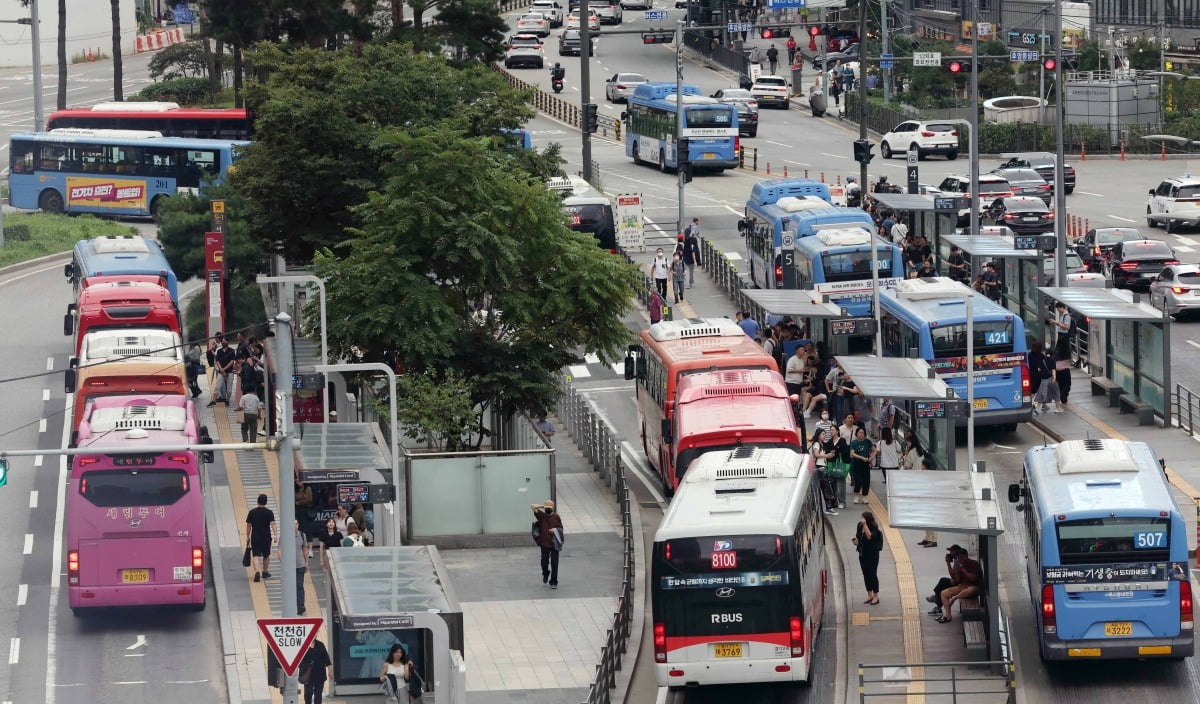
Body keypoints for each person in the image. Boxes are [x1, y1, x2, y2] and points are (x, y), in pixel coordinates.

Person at [935, 546, 983, 623]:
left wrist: (964, 571)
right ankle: (947, 616)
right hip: (962, 586)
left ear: (965, 556)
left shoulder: (974, 564)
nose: (959, 559)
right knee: (943, 593)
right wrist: (951, 567)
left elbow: (973, 578)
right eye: (958, 557)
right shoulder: (960, 565)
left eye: (960, 557)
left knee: (970, 590)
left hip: (973, 587)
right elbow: (956, 581)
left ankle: (954, 599)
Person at [925, 545, 968, 615]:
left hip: (961, 583)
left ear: (956, 551)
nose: (950, 553)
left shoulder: (958, 560)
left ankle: (937, 601)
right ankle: (936, 600)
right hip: (960, 581)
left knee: (942, 584)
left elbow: (953, 576)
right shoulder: (957, 559)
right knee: (942, 583)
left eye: (951, 551)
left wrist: (948, 563)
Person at [245, 493, 276, 582]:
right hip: (266, 537)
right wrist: (275, 535)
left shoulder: (252, 512)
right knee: (266, 555)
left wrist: (247, 536)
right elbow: (273, 524)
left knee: (255, 555)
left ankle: (257, 571)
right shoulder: (269, 512)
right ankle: (265, 572)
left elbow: (249, 525)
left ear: (257, 501)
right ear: (266, 502)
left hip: (255, 536)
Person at [533, 499, 564, 588]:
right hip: (544, 543)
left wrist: (554, 530)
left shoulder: (556, 517)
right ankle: (546, 573)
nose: (548, 509)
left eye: (549, 507)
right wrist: (543, 506)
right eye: (547, 507)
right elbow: (532, 506)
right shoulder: (542, 516)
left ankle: (554, 582)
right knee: (544, 562)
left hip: (554, 543)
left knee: (555, 563)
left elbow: (561, 529)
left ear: (553, 507)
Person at [853, 511, 883, 605]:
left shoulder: (875, 529)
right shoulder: (859, 525)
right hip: (862, 554)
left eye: (863, 518)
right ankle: (869, 594)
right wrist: (856, 542)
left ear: (868, 520)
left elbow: (869, 536)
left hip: (872, 555)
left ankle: (876, 596)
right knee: (865, 574)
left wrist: (865, 525)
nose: (861, 520)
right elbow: (858, 536)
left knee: (872, 574)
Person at [298, 637, 333, 704]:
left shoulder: (320, 645)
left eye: (316, 632)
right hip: (308, 675)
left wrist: (330, 671)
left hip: (320, 674)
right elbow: (299, 661)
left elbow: (327, 660)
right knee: (308, 694)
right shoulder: (303, 645)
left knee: (318, 695)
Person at [849, 426, 875, 504]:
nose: (861, 434)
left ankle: (864, 496)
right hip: (856, 463)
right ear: (856, 434)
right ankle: (857, 495)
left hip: (866, 463)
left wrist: (871, 457)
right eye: (859, 432)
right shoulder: (854, 442)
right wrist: (861, 457)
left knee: (866, 480)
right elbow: (852, 453)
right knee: (858, 480)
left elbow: (875, 450)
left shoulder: (868, 442)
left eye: (862, 432)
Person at [209, 336, 237, 406]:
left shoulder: (232, 351)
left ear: (228, 342)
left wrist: (223, 369)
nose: (223, 342)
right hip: (221, 372)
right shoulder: (219, 351)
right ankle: (213, 401)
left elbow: (232, 362)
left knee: (229, 387)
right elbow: (217, 361)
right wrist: (221, 370)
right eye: (223, 341)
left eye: (225, 341)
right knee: (217, 386)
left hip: (229, 372)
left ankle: (227, 401)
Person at [292, 519, 311, 614]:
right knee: (291, 586)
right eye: (293, 524)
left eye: (296, 523)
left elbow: (305, 549)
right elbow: (280, 551)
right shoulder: (285, 536)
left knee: (299, 585)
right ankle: (293, 604)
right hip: (289, 567)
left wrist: (306, 562)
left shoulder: (302, 535)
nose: (295, 525)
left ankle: (300, 605)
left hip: (300, 564)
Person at [682, 220, 701, 285]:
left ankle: (690, 281)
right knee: (688, 267)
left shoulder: (689, 230)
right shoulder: (688, 231)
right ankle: (688, 283)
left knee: (691, 267)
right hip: (688, 250)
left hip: (687, 250)